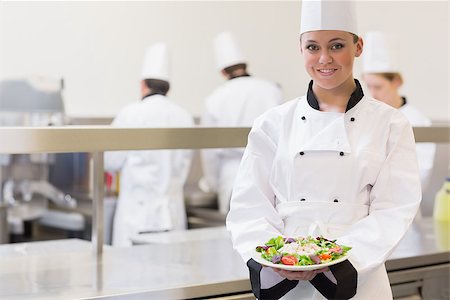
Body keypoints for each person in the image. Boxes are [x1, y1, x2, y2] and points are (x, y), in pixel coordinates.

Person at [226, 1, 421, 299]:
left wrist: (336, 260)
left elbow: (394, 209)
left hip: (358, 277)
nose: (324, 58)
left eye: (337, 45)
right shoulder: (273, 123)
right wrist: (280, 259)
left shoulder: (390, 123)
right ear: (300, 49)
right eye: (313, 47)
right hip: (285, 277)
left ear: (358, 47)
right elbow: (249, 207)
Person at [105, 42, 194, 247]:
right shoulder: (183, 116)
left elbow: (110, 161)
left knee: (131, 274)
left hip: (136, 213)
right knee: (173, 274)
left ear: (143, 84)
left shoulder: (130, 113)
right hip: (171, 213)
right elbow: (184, 165)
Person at [200, 31, 283, 215]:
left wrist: (212, 182)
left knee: (234, 236)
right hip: (270, 173)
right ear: (245, 65)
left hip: (232, 176)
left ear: (222, 72)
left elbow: (209, 151)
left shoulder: (215, 99)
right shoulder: (271, 90)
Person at [361, 30, 436, 194]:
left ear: (397, 81)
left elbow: (421, 173)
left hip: (402, 207)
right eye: (369, 86)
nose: (373, 94)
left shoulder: (417, 121)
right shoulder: (363, 118)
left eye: (379, 87)